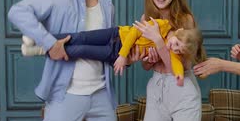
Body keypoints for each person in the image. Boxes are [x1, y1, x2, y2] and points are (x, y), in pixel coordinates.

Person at [19, 18, 188, 85]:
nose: (174, 48)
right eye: (177, 43)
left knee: (82, 50)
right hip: (117, 35)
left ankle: (40, 50)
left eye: (179, 50)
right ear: (178, 31)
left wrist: (179, 75)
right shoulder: (162, 25)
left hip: (114, 54)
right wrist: (123, 56)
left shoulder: (169, 51)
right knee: (81, 37)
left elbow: (175, 64)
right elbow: (135, 32)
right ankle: (39, 38)